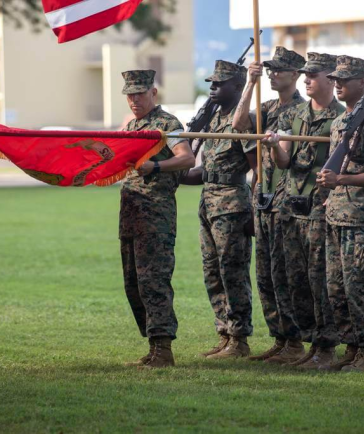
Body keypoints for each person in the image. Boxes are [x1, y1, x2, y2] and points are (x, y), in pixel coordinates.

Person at [261, 53, 344, 369]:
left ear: (329, 79)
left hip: (319, 209)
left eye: (313, 75)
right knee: (295, 282)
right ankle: (307, 344)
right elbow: (284, 161)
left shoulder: (340, 118)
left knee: (320, 281)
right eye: (305, 75)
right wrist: (272, 145)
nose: (307, 80)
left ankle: (326, 348)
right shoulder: (293, 114)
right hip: (291, 208)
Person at [317, 55, 364, 371]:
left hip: (363, 219)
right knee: (336, 288)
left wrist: (340, 180)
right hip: (336, 215)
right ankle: (350, 348)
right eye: (335, 79)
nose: (337, 84)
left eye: (344, 80)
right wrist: (328, 187)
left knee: (359, 286)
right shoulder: (339, 123)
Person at [232, 47, 306, 361]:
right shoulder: (267, 107)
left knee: (287, 272)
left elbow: (287, 161)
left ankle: (294, 341)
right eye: (270, 70)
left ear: (296, 75)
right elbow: (238, 125)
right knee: (265, 274)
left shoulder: (302, 111)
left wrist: (276, 146)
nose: (273, 74)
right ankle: (279, 337)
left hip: (287, 200)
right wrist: (249, 83)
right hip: (262, 197)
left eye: (280, 70)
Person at [181, 60, 257, 359]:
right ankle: (225, 334)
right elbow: (203, 171)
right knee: (212, 272)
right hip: (208, 203)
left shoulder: (243, 123)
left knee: (232, 272)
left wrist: (253, 210)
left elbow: (257, 170)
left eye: (219, 83)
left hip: (232, 206)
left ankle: (240, 339)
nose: (212, 88)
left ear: (238, 87)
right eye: (211, 83)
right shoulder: (212, 121)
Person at [119, 70, 195, 369]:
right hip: (131, 212)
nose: (134, 99)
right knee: (133, 283)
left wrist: (156, 166)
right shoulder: (132, 126)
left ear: (154, 93)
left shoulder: (168, 124)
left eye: (139, 93)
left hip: (156, 213)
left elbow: (187, 158)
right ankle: (153, 345)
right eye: (129, 94)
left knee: (154, 281)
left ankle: (164, 348)